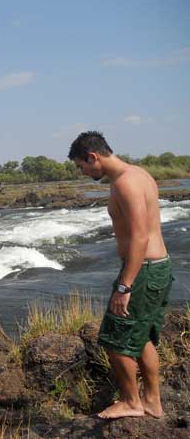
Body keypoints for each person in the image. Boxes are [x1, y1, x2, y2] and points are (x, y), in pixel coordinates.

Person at [68, 131, 173, 419]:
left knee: (115, 342)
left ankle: (132, 402)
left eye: (82, 166)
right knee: (141, 338)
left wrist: (124, 287)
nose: (83, 172)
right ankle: (152, 401)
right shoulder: (139, 174)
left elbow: (139, 238)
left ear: (93, 157)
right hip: (156, 267)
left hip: (143, 271)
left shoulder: (125, 183)